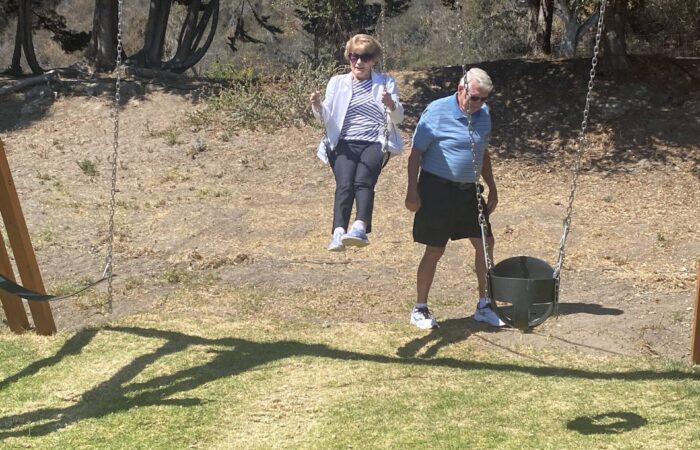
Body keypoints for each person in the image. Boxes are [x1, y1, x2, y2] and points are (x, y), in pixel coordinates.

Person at [404, 67, 504, 329]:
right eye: (474, 98)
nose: (479, 104)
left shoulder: (483, 115)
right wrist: (412, 192)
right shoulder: (436, 112)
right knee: (435, 249)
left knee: (485, 244)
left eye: (484, 99)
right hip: (436, 189)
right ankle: (420, 309)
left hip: (469, 191)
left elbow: (483, 154)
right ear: (461, 90)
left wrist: (492, 187)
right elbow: (415, 155)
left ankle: (484, 305)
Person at [310, 34, 404, 252]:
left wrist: (390, 103)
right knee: (344, 184)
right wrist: (317, 105)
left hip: (374, 142)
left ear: (373, 60)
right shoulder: (337, 82)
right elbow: (326, 116)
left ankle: (360, 227)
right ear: (349, 58)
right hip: (344, 142)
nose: (359, 62)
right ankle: (338, 233)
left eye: (365, 57)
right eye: (354, 57)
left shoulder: (386, 83)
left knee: (363, 181)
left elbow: (398, 118)